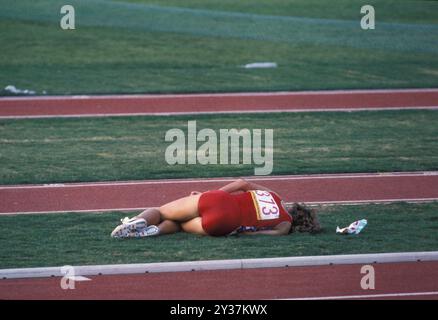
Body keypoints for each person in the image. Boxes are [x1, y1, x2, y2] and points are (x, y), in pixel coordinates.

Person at [110, 178, 321, 238]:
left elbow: (242, 183)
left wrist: (208, 195)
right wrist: (240, 231)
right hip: (227, 223)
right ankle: (154, 231)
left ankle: (139, 221)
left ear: (295, 207)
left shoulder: (274, 196)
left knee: (162, 211)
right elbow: (263, 234)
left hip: (218, 199)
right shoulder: (285, 226)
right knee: (182, 226)